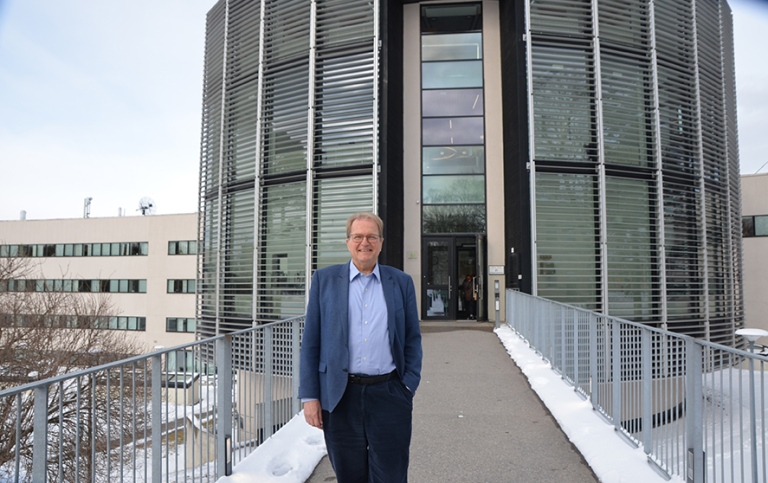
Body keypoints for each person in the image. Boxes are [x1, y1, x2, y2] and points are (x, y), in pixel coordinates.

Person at [299, 212, 423, 483]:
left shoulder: (400, 282)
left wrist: (408, 386)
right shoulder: (325, 280)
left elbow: (412, 338)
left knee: (391, 476)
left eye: (371, 237)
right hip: (341, 397)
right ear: (348, 242)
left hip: (390, 394)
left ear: (380, 243)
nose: (364, 242)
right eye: (358, 236)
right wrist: (310, 397)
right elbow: (311, 342)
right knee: (349, 475)